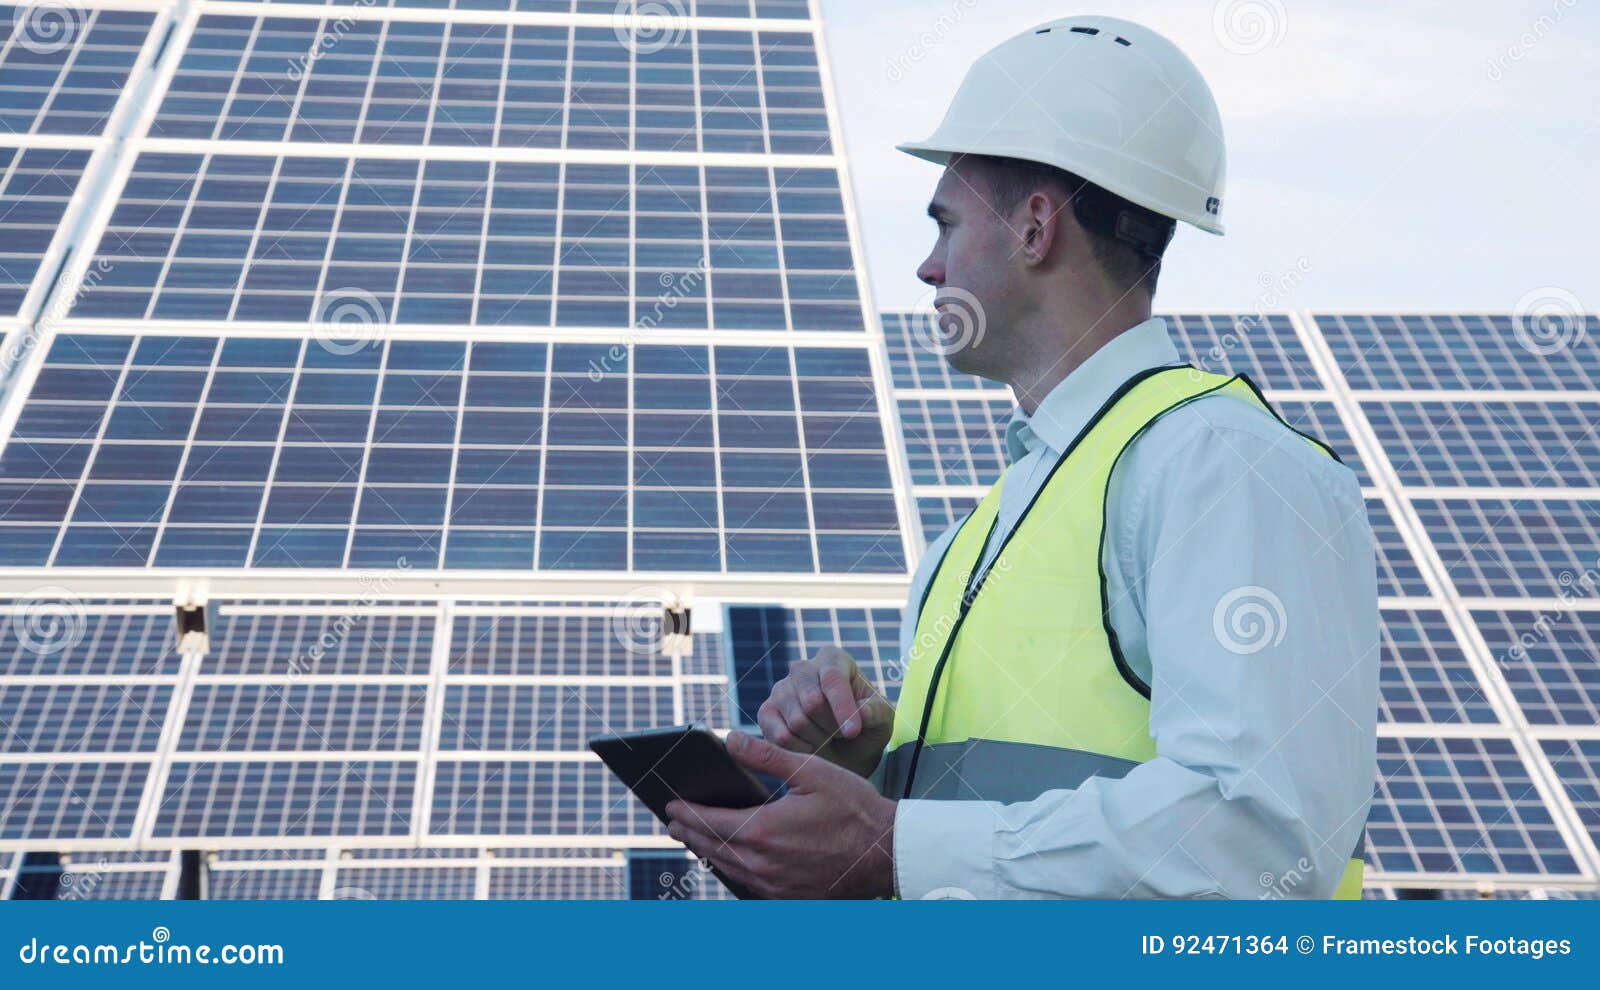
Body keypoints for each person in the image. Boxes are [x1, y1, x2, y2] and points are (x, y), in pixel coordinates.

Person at [664, 15, 1378, 899]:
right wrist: (875, 765)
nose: (928, 268)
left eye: (945, 224)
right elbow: (994, 824)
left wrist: (892, 842)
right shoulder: (985, 529)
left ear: (1036, 227)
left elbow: (1261, 844)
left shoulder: (1222, 467)